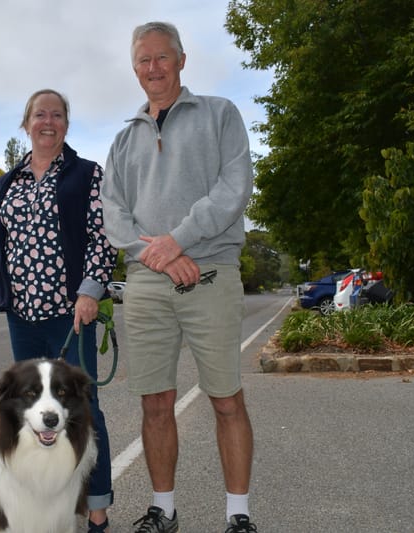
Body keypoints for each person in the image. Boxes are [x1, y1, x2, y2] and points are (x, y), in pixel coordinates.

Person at [101, 22, 257, 533]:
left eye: (163, 57)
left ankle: (238, 516)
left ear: (182, 60)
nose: (154, 68)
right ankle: (162, 508)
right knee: (155, 401)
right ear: (134, 68)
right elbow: (114, 215)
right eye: (144, 60)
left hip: (211, 272)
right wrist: (165, 255)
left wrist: (180, 239)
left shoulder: (219, 114)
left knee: (225, 398)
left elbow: (235, 186)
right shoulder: (124, 138)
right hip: (147, 281)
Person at [0, 88, 117, 533]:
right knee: (30, 411)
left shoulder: (85, 175)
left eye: (57, 115)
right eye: (40, 114)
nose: (48, 121)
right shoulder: (8, 182)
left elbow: (102, 238)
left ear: (66, 125)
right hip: (21, 316)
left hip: (70, 312)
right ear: (26, 123)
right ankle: (35, 509)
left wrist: (90, 290)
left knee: (81, 409)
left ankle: (95, 509)